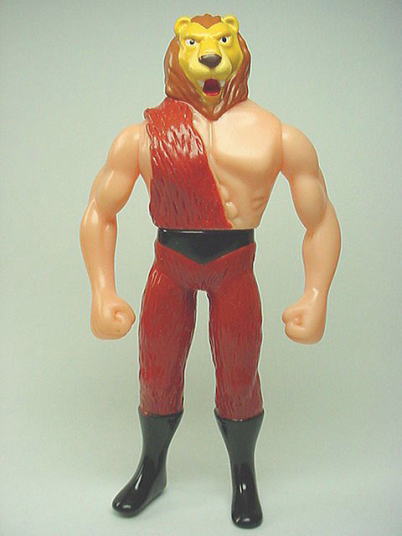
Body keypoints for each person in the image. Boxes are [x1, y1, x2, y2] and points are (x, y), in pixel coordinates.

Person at [80, 13, 341, 529]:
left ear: (239, 52)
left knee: (240, 375)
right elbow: (100, 212)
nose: (209, 54)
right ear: (176, 55)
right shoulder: (143, 136)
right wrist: (101, 289)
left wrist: (317, 293)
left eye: (221, 42)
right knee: (156, 373)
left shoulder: (277, 134)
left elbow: (320, 218)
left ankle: (244, 474)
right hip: (169, 266)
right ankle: (152, 467)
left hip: (234, 268)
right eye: (196, 44)